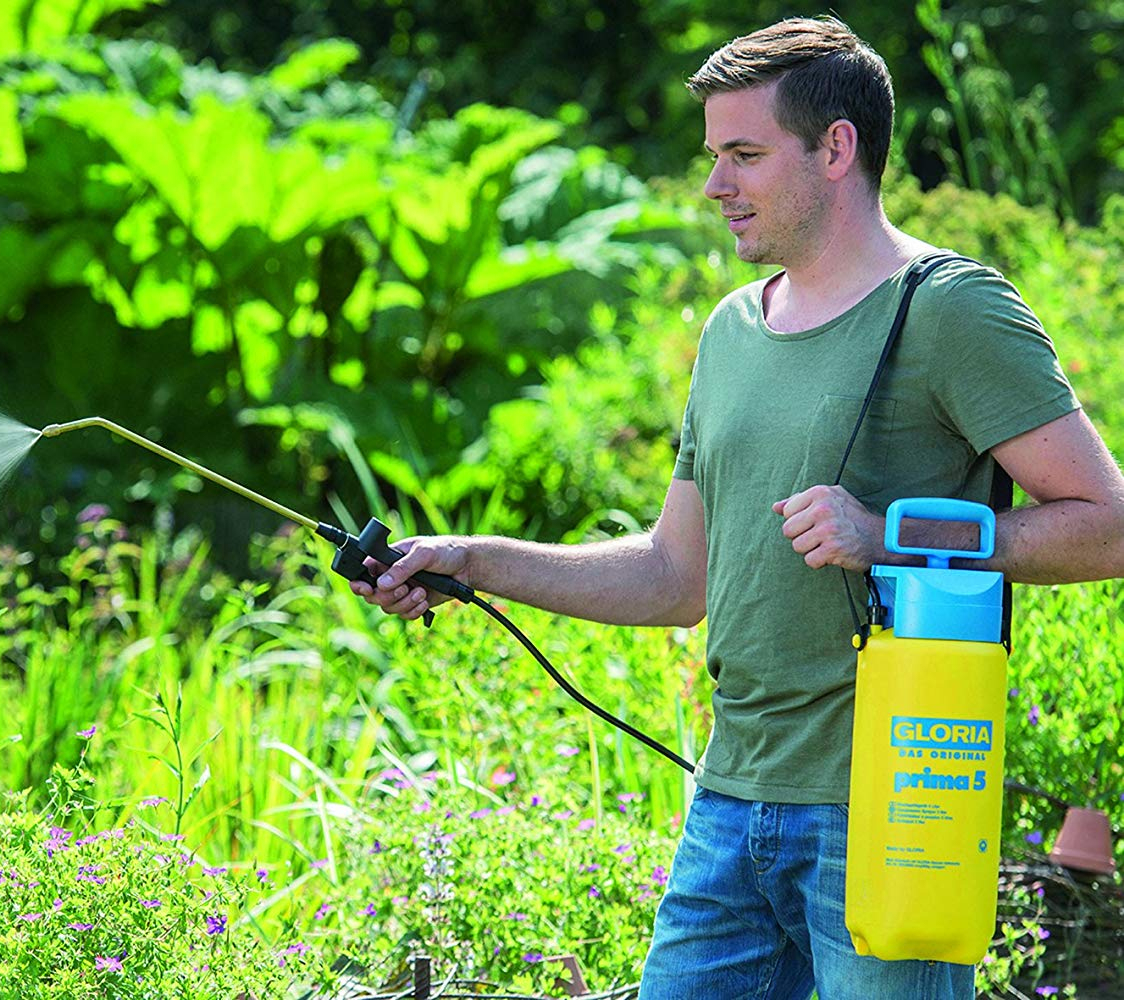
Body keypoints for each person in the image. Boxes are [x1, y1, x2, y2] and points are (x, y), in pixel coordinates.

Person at [349, 15, 1124, 1000]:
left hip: (890, 806)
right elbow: (678, 577)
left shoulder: (949, 310)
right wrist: (470, 559)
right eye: (714, 155)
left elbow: (1108, 521)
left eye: (744, 155)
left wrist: (887, 536)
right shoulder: (730, 332)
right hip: (729, 807)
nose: (715, 185)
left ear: (836, 148)